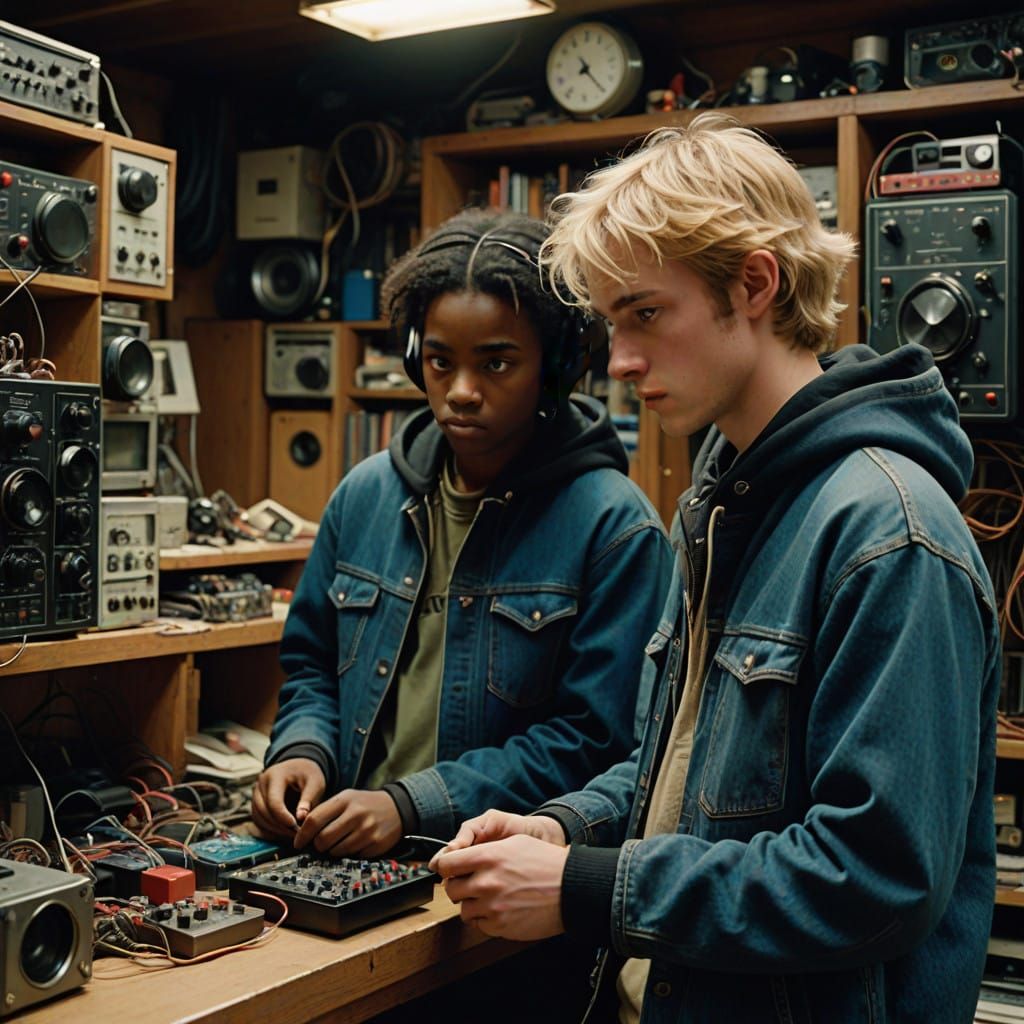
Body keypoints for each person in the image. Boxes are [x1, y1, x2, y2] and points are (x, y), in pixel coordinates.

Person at [432, 113, 1001, 1024]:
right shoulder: (726, 505)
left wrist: (586, 888)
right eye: (611, 323)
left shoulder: (889, 534)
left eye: (646, 314)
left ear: (755, 284)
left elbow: (876, 879)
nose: (619, 362)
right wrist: (566, 828)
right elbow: (692, 776)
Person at [253, 209, 673, 868]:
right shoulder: (362, 497)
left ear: (556, 367)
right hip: (347, 859)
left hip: (496, 882)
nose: (462, 392)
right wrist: (302, 749)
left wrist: (411, 804)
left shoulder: (617, 528)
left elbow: (595, 739)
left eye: (497, 363)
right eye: (442, 362)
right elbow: (311, 667)